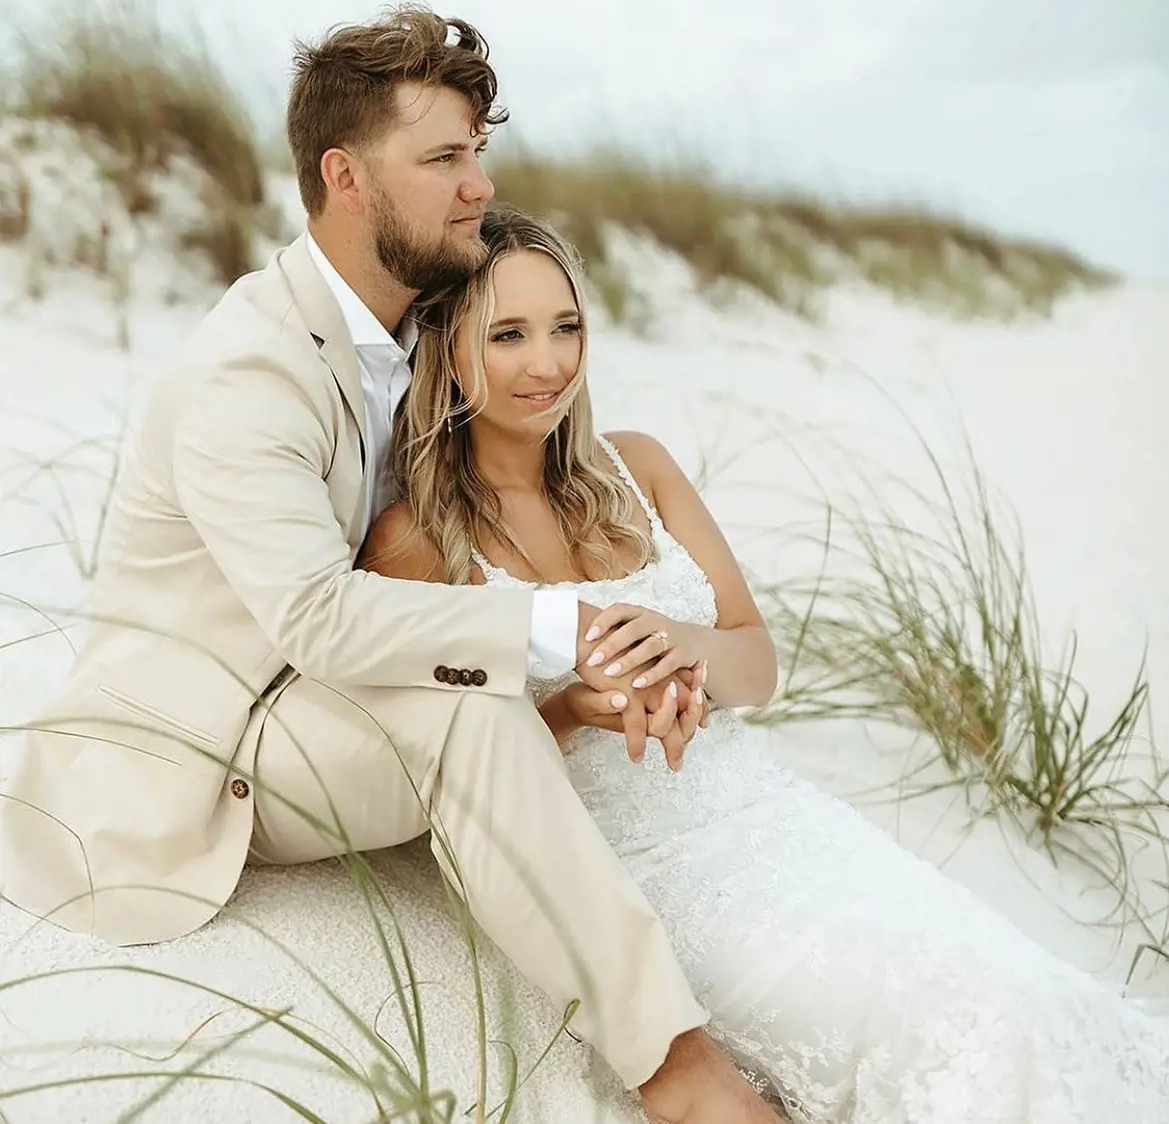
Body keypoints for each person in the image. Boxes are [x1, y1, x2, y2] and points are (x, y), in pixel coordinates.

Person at [0, 8, 782, 1123]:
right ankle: (678, 1071)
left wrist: (637, 654)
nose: (478, 185)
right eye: (444, 159)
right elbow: (318, 619)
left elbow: (525, 455)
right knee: (473, 714)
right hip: (216, 741)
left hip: (340, 696)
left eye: (479, 153)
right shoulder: (248, 370)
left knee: (489, 699)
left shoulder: (425, 325)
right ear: (346, 177)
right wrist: (571, 638)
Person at [361, 205, 1169, 1124]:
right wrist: (578, 708)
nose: (548, 364)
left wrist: (688, 647)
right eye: (507, 334)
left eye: (566, 327)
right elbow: (439, 781)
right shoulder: (417, 545)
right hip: (646, 879)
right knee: (951, 1020)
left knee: (1017, 984)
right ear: (447, 350)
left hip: (780, 820)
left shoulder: (635, 468)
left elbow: (756, 659)